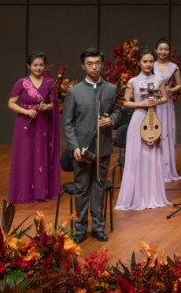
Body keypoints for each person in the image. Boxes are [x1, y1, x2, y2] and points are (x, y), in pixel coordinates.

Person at [63, 47, 123, 243]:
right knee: (81, 189)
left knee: (99, 187)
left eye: (97, 63)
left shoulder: (111, 89)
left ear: (102, 64)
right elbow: (68, 123)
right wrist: (74, 146)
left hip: (103, 146)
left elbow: (118, 112)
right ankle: (80, 228)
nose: (94, 67)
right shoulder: (74, 91)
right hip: (81, 149)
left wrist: (111, 120)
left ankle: (98, 227)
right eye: (90, 63)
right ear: (83, 66)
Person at [115, 50, 171, 210]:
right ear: (139, 62)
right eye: (145, 61)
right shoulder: (132, 81)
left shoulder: (159, 80)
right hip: (138, 119)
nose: (148, 64)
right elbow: (125, 102)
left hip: (154, 120)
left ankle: (152, 195)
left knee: (152, 156)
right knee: (137, 157)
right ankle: (135, 197)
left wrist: (157, 101)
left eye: (151, 61)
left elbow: (165, 97)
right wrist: (141, 104)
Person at [6, 52, 60, 204]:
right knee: (25, 156)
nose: (38, 68)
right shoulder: (21, 83)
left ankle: (41, 192)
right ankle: (24, 192)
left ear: (45, 66)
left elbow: (54, 104)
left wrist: (47, 107)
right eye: (35, 65)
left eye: (41, 65)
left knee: (40, 156)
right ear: (29, 66)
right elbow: (11, 103)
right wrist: (26, 111)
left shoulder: (50, 82)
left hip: (42, 124)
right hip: (25, 125)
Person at [154, 38, 181, 182]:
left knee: (166, 132)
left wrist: (170, 90)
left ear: (169, 51)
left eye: (166, 49)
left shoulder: (174, 67)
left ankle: (167, 169)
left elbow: (179, 85)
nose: (163, 51)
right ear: (156, 50)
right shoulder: (150, 64)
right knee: (153, 131)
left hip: (166, 103)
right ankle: (153, 169)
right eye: (160, 49)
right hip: (153, 102)